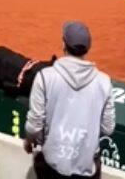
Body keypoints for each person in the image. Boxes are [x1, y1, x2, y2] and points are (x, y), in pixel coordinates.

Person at [24, 21, 115, 179]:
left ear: (63, 44)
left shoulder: (45, 77)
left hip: (51, 167)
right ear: (87, 48)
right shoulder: (104, 82)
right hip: (87, 168)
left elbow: (34, 126)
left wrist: (29, 140)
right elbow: (108, 128)